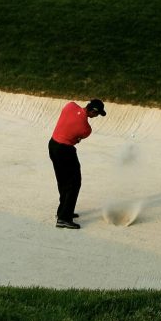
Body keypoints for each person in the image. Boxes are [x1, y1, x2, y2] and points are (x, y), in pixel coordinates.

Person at [48, 98, 106, 229]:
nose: (96, 117)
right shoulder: (86, 129)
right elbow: (75, 140)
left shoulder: (70, 106)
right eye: (97, 114)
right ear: (93, 111)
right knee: (74, 183)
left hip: (52, 145)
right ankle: (64, 219)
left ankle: (62, 211)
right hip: (65, 151)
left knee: (62, 180)